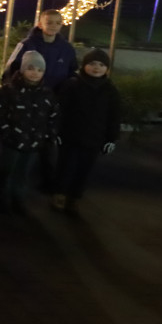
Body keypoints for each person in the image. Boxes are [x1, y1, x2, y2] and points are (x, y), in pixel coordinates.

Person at [54, 49, 121, 214]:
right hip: (71, 136)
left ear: (107, 68)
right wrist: (56, 132)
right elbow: (61, 110)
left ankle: (74, 198)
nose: (96, 68)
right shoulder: (72, 85)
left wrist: (111, 139)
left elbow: (114, 116)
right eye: (92, 64)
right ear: (84, 66)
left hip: (94, 139)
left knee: (84, 170)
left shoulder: (110, 90)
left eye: (101, 65)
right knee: (65, 167)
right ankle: (59, 195)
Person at [0, 51, 59, 214]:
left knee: (23, 173)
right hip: (13, 140)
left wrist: (48, 135)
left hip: (34, 141)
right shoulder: (9, 90)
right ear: (23, 69)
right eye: (31, 68)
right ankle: (2, 199)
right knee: (7, 170)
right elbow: (0, 114)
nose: (35, 73)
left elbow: (52, 115)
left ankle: (18, 199)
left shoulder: (46, 93)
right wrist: (6, 132)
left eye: (39, 70)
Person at [3, 9, 77, 90]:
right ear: (40, 25)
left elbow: (72, 71)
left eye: (58, 23)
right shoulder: (26, 45)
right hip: (28, 93)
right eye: (49, 23)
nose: (54, 26)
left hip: (57, 95)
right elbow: (11, 69)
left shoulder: (67, 48)